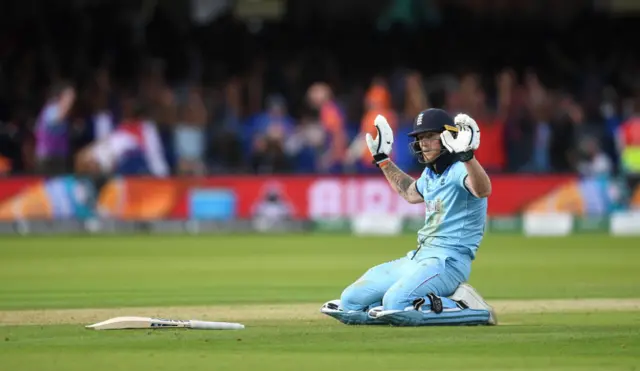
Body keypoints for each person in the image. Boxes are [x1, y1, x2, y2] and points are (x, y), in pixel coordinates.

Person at [320, 108, 497, 326]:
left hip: (448, 262)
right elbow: (411, 193)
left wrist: (468, 156)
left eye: (430, 137)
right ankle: (396, 309)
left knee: (396, 302)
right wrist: (383, 161)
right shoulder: (431, 173)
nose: (423, 143)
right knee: (350, 301)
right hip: (419, 258)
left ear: (448, 136)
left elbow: (483, 190)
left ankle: (468, 306)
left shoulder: (460, 169)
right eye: (420, 138)